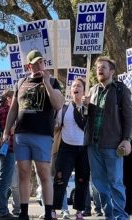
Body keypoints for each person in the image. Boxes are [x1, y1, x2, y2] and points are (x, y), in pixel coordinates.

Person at [3, 50, 64, 220]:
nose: (39, 65)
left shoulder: (53, 81)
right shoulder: (21, 82)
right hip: (21, 134)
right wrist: (6, 131)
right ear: (28, 65)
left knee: (44, 173)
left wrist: (47, 84)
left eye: (42, 62)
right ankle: (23, 213)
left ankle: (49, 212)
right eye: (35, 63)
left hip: (43, 134)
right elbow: (14, 109)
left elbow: (58, 104)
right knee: (23, 172)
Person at [82, 56, 132, 220]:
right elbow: (84, 119)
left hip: (113, 144)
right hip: (93, 144)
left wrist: (126, 138)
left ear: (111, 71)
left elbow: (129, 116)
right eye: (98, 67)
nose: (99, 70)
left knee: (115, 182)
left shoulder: (120, 89)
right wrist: (83, 106)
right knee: (98, 183)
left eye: (103, 67)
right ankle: (109, 215)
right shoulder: (92, 91)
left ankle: (120, 216)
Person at [52, 78, 89, 220]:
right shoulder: (64, 108)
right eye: (73, 86)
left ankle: (79, 211)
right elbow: (56, 126)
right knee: (60, 180)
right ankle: (54, 209)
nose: (76, 87)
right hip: (66, 149)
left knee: (82, 181)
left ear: (84, 90)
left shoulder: (89, 108)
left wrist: (86, 107)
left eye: (79, 85)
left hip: (84, 149)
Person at [0, 89, 19, 219]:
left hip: (3, 149)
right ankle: (1, 210)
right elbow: (9, 130)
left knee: (3, 179)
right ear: (10, 99)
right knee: (4, 181)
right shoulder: (7, 111)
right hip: (7, 148)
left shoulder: (0, 110)